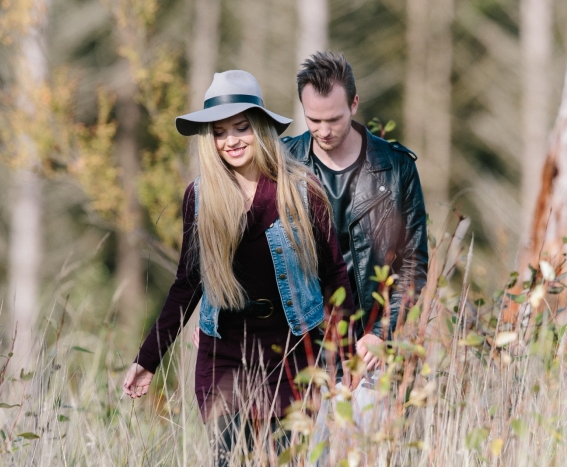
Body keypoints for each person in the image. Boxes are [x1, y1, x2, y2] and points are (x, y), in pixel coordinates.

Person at [122, 70, 352, 465]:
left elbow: (334, 276)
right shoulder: (200, 196)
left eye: (241, 128)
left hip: (295, 353)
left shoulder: (301, 190)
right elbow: (187, 282)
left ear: (260, 128)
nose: (231, 141)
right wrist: (148, 359)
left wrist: (346, 361)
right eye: (219, 132)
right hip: (224, 355)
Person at [282, 51, 428, 380]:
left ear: (354, 104)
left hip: (370, 348)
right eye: (313, 120)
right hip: (298, 349)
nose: (323, 130)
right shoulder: (282, 162)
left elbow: (412, 265)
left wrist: (381, 333)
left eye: (333, 119)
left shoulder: (396, 167)